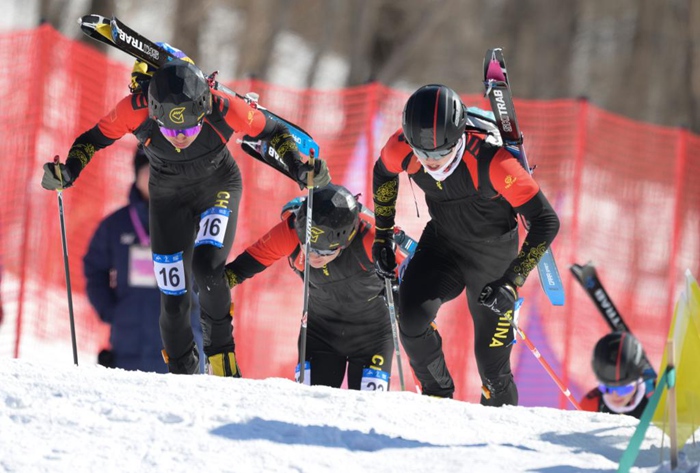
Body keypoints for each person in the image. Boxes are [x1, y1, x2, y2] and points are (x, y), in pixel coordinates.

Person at [41, 55, 330, 376]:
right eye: (169, 128)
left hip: (217, 188)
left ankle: (221, 358)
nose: (181, 136)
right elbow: (92, 140)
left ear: (203, 109)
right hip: (167, 198)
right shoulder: (133, 110)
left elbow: (275, 131)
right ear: (153, 113)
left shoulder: (225, 106)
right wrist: (68, 171)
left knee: (206, 270)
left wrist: (299, 168)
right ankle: (182, 372)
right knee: (174, 295)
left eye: (191, 126)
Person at [372, 84, 560, 405]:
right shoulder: (401, 147)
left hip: (493, 262)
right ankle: (437, 398)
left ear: (458, 137)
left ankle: (499, 443)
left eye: (439, 152)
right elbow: (383, 173)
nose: (430, 161)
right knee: (411, 322)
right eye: (422, 152)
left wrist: (512, 282)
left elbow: (546, 221)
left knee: (493, 374)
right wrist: (382, 233)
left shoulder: (493, 163)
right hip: (442, 245)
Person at [224, 184, 404, 390]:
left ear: (347, 239)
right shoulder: (290, 231)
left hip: (373, 339)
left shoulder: (372, 238)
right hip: (320, 336)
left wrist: (402, 299)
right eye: (307, 247)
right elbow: (236, 271)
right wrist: (211, 291)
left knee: (368, 413)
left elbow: (412, 280)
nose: (313, 257)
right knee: (310, 409)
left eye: (325, 252)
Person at [83, 146, 204, 373]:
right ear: (137, 174)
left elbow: (210, 271)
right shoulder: (115, 225)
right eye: (149, 171)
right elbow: (94, 268)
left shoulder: (193, 222)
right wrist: (111, 310)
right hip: (129, 344)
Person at [580, 332, 653, 418]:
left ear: (637, 380)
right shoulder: (590, 406)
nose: (615, 395)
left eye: (623, 389)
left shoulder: (656, 398)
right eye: (607, 388)